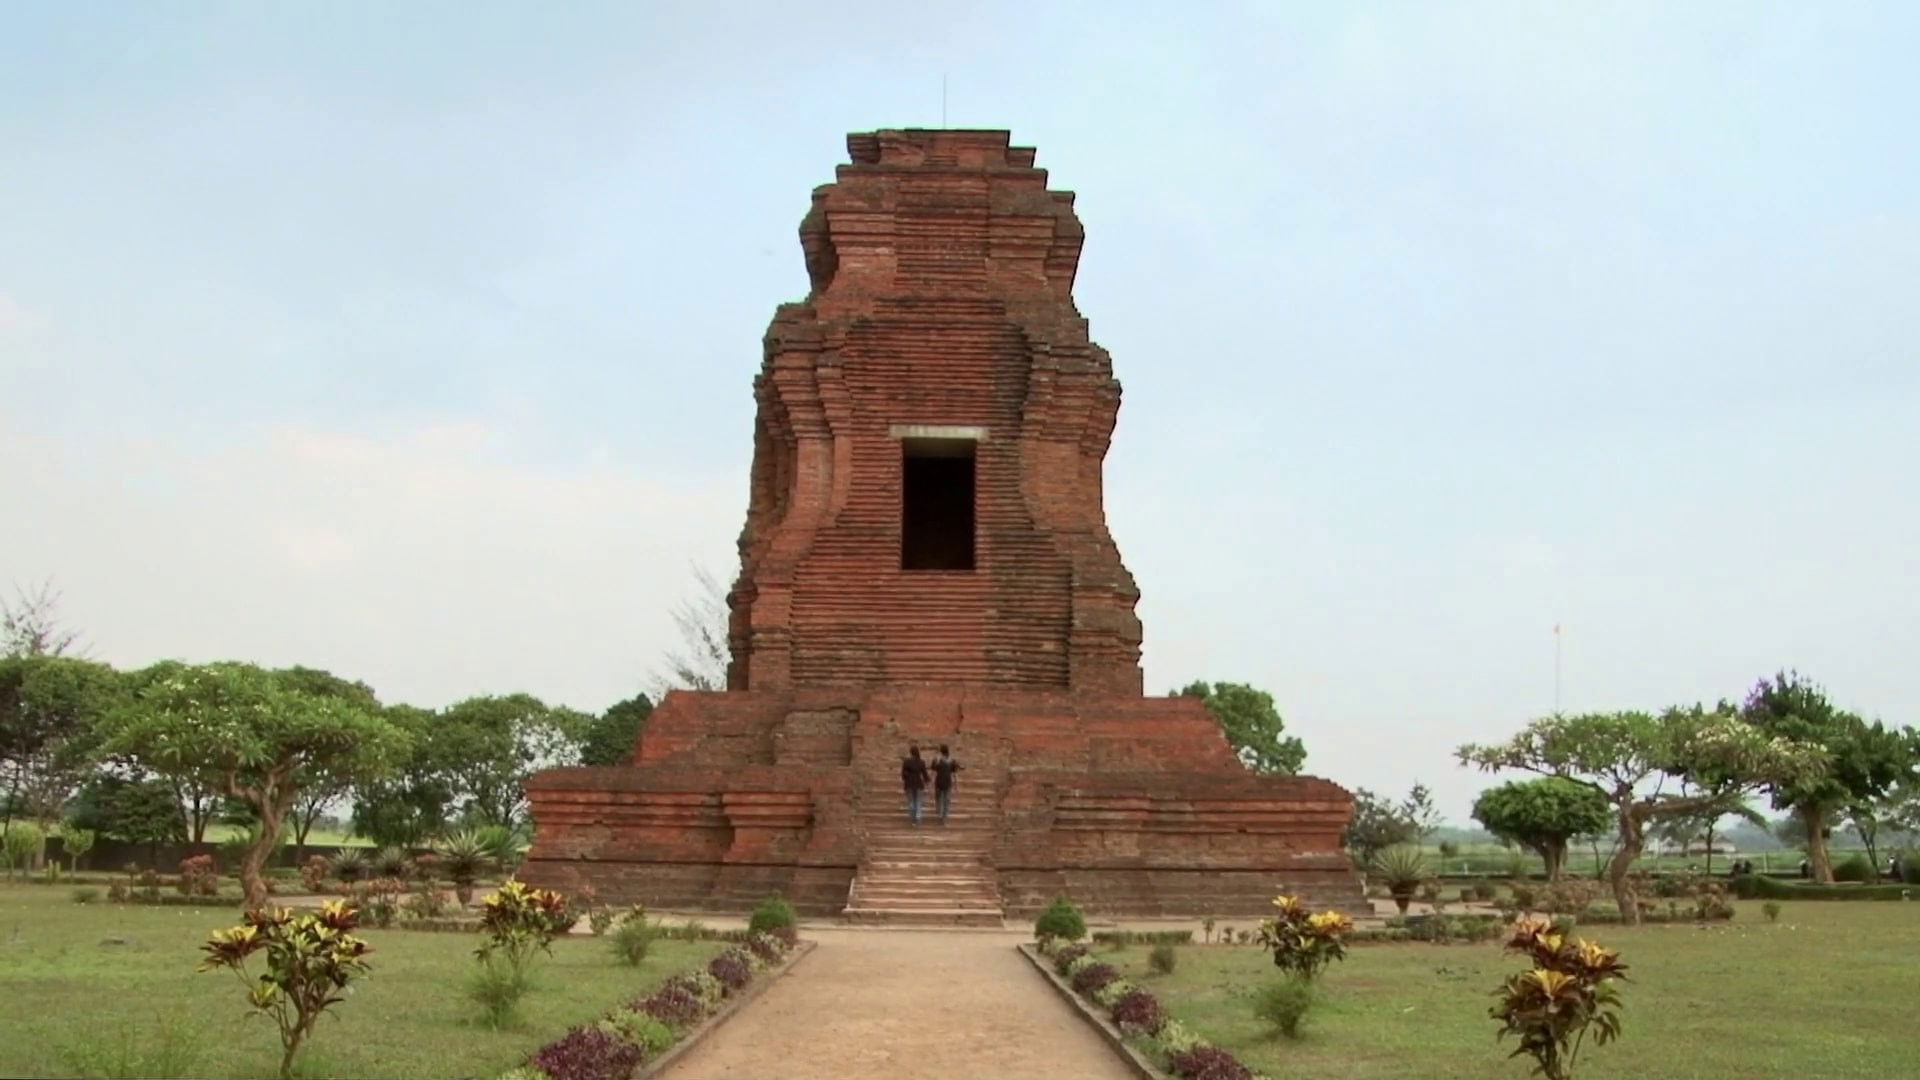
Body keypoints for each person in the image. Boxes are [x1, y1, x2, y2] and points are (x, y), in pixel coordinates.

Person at [930, 744, 962, 824]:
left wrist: (931, 784)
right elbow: (955, 775)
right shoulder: (952, 761)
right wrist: (956, 785)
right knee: (946, 800)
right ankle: (944, 816)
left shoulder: (936, 760)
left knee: (939, 799)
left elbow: (933, 773)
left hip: (939, 782)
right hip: (948, 782)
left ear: (940, 751)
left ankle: (940, 815)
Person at [901, 745, 930, 826]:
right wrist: (928, 783)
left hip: (909, 784)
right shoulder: (921, 762)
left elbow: (903, 774)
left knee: (911, 802)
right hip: (919, 784)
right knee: (918, 802)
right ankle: (918, 817)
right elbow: (925, 775)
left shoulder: (906, 761)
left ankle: (913, 819)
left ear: (911, 752)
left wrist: (907, 777)